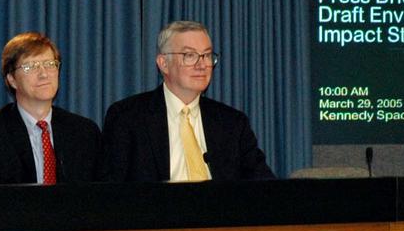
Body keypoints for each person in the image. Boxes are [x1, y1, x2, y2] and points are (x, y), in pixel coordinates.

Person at [100, 20, 274, 182]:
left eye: (206, 55)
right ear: (163, 63)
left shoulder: (232, 123)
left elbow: (263, 188)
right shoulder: (128, 117)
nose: (202, 65)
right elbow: (112, 192)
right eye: (189, 55)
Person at [0, 32, 101, 184]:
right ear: (12, 79)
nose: (44, 74)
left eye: (50, 64)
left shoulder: (84, 132)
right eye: (31, 67)